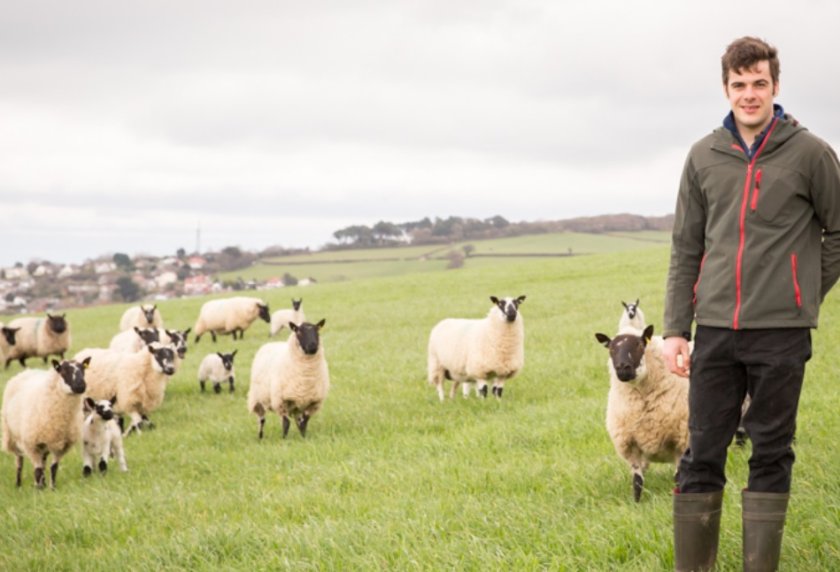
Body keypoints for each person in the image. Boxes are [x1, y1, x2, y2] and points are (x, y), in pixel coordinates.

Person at [662, 36, 840, 571]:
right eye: (739, 85)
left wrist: (803, 291)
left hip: (781, 334)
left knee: (770, 452)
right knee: (700, 455)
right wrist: (675, 328)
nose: (749, 94)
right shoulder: (703, 156)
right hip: (714, 330)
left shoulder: (810, 153)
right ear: (726, 88)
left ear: (775, 86)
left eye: (759, 83)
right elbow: (685, 246)